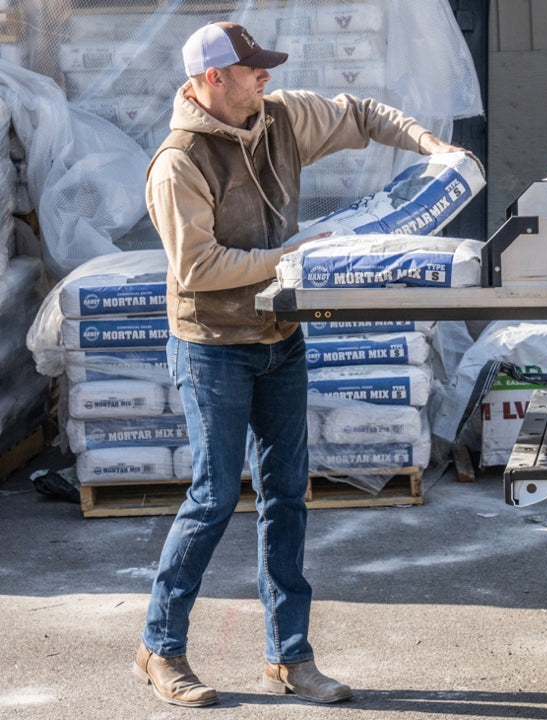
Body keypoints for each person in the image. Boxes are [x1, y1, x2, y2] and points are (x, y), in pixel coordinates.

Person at [133, 21, 477, 707]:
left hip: (278, 341)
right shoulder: (179, 163)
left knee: (287, 496)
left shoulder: (282, 118)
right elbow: (197, 268)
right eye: (251, 70)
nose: (265, 77)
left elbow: (360, 114)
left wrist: (430, 146)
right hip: (212, 348)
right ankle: (161, 648)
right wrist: (297, 258)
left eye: (265, 68)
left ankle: (289, 658)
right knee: (210, 498)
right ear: (213, 81)